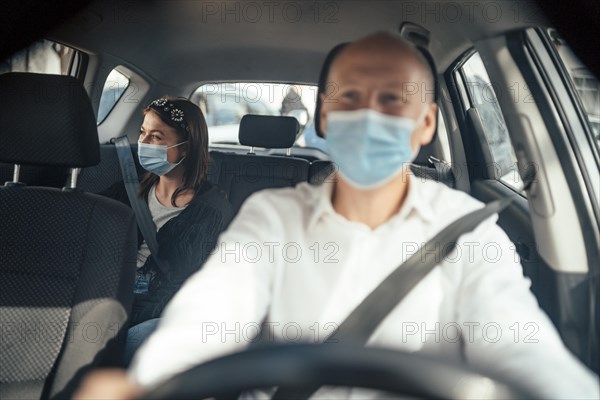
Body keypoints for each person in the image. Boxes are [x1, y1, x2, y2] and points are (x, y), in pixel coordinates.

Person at [76, 33, 599, 399]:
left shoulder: (470, 232)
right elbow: (211, 313)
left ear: (425, 124)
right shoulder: (272, 218)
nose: (370, 115)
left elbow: (518, 342)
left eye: (392, 100)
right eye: (350, 97)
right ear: (325, 115)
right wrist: (146, 380)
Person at [101, 97, 233, 363]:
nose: (144, 143)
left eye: (157, 137)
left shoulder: (213, 211)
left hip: (164, 310)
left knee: (140, 342)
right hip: (111, 293)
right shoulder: (125, 190)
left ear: (186, 147)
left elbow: (196, 284)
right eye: (143, 133)